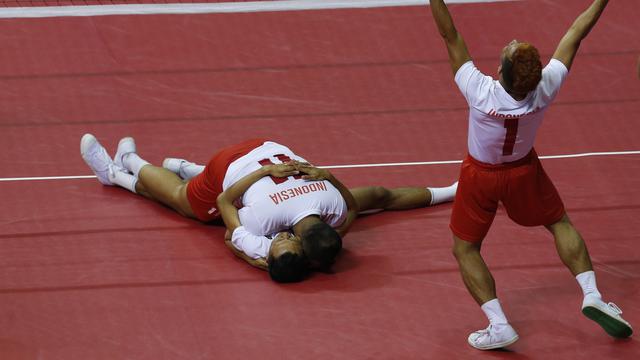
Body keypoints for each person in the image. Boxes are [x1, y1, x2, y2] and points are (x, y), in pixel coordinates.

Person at [428, 0, 632, 350]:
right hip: (524, 171)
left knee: (465, 249)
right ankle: (592, 295)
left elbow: (450, 34)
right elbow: (576, 34)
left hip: (480, 175)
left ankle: (498, 324)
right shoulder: (546, 87)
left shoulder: (479, 90)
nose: (512, 41)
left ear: (501, 71)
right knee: (560, 223)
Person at [80, 134, 458, 282]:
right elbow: (225, 209)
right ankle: (126, 168)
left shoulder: (334, 204)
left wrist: (453, 191)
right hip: (229, 167)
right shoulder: (262, 222)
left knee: (377, 196)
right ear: (299, 244)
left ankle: (131, 172)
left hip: (269, 144)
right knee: (186, 205)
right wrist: (253, 260)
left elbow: (373, 201)